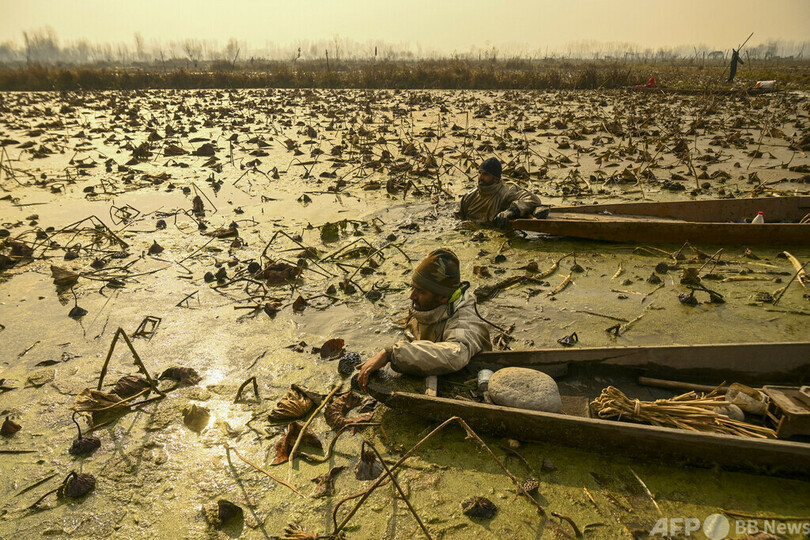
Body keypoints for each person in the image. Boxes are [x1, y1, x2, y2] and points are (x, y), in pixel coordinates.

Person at [356, 248, 491, 391]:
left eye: (421, 292)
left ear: (443, 298)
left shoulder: (464, 319)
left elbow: (457, 354)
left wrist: (391, 353)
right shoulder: (428, 303)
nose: (412, 296)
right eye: (413, 288)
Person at [459, 157, 546, 229]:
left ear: (496, 179)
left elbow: (533, 199)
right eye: (480, 173)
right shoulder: (469, 196)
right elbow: (458, 217)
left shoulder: (506, 192)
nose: (480, 177)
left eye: (485, 174)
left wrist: (511, 211)